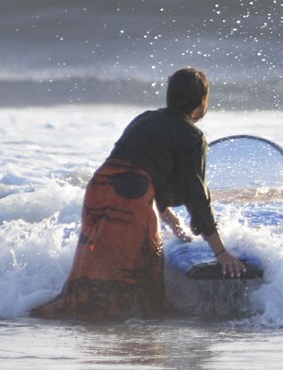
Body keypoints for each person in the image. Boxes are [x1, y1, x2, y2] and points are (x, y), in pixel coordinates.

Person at [33, 67, 246, 321]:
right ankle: (140, 319)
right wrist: (221, 253)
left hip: (98, 190)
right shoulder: (193, 136)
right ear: (202, 102)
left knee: (94, 263)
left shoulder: (144, 119)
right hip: (130, 200)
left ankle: (75, 311)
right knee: (144, 261)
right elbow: (196, 193)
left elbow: (134, 169)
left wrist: (171, 219)